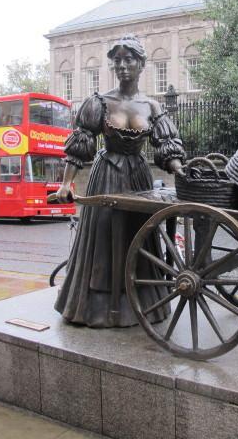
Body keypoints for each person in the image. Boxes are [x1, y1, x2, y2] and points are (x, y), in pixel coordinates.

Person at [54, 34, 185, 327]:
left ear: (141, 65)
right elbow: (80, 144)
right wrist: (66, 184)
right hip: (107, 176)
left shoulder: (151, 106)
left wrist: (179, 169)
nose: (123, 66)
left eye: (130, 60)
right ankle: (98, 306)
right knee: (103, 238)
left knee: (138, 234)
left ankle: (141, 302)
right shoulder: (99, 102)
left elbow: (166, 145)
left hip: (138, 178)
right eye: (118, 61)